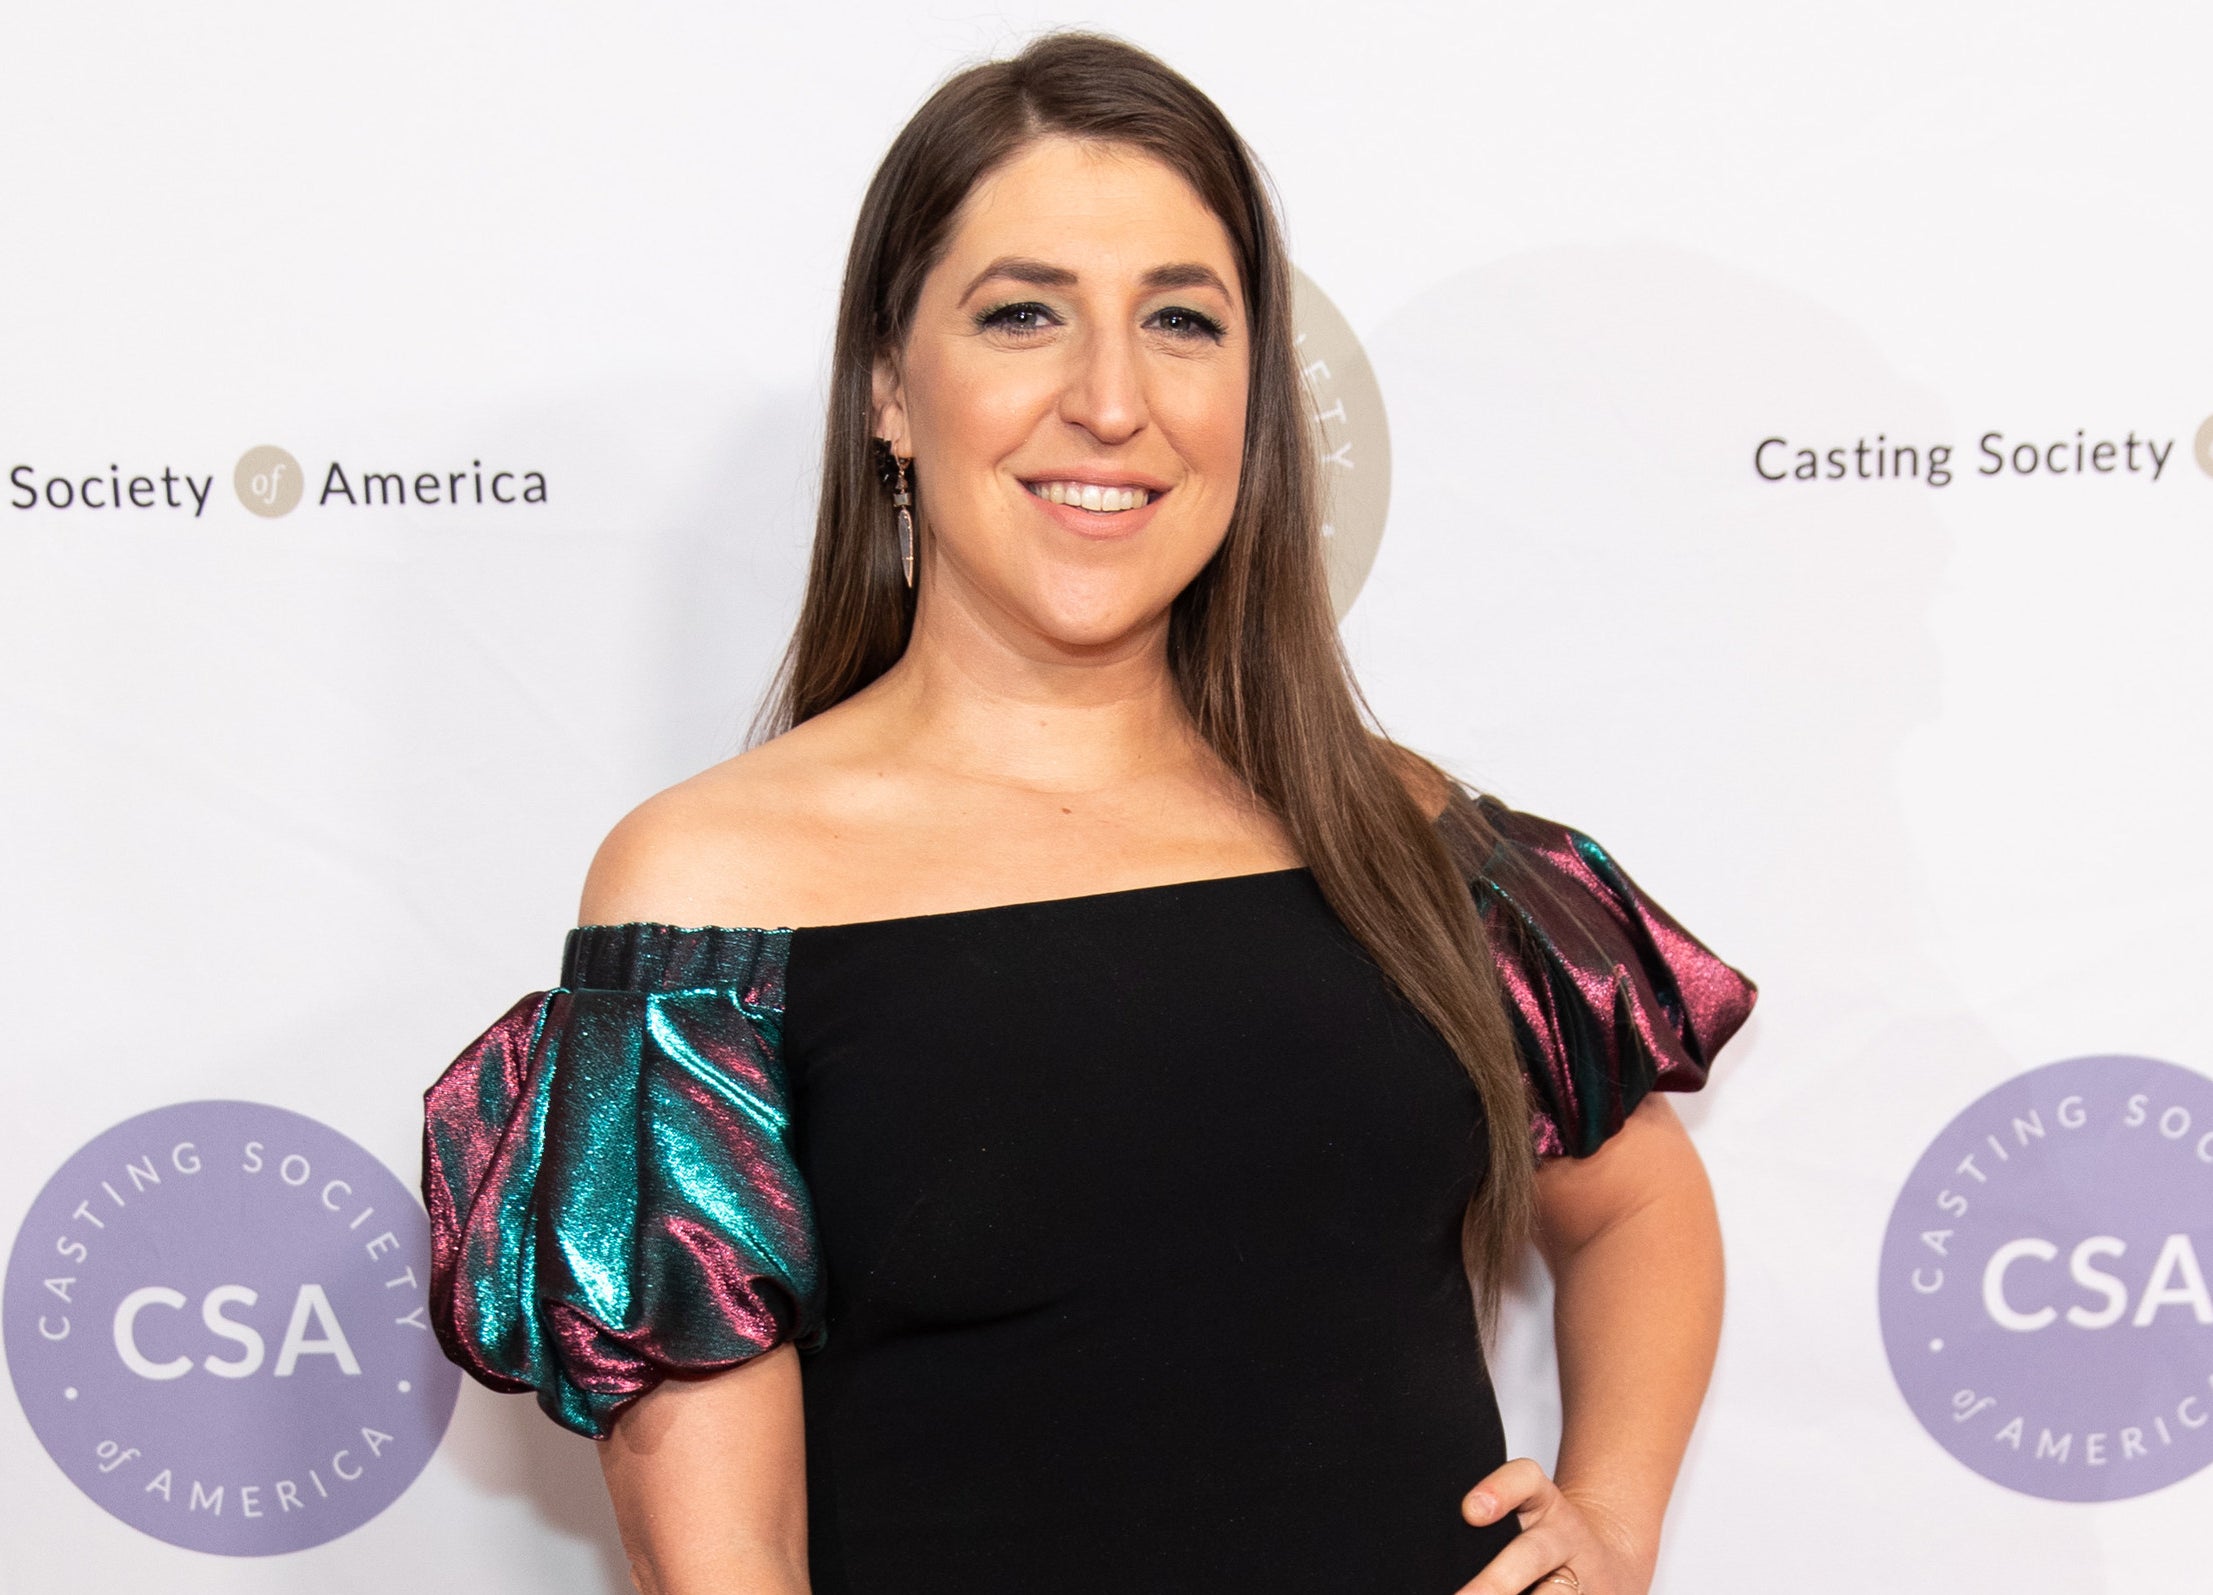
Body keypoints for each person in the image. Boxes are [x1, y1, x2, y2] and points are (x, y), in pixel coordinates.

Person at [422, 31, 1755, 1595]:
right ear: (887, 392)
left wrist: (1610, 1516)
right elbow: (719, 1555)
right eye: (1023, 315)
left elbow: (1637, 1205)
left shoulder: (1400, 834)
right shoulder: (717, 889)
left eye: (1180, 320)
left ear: (1248, 403)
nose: (1110, 401)